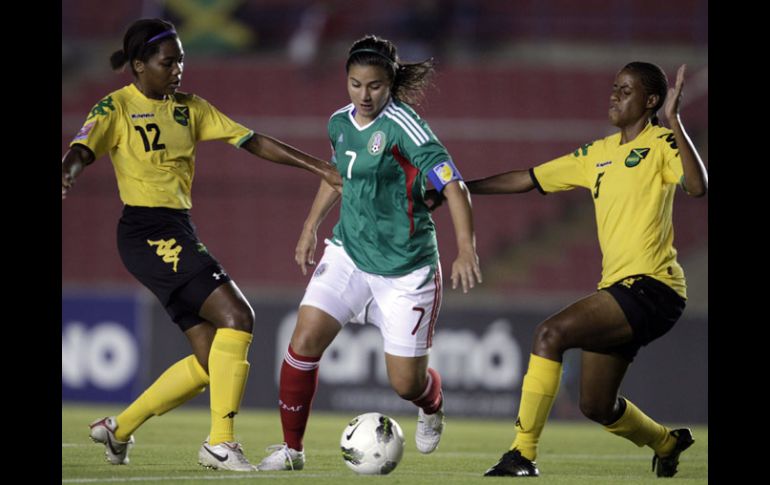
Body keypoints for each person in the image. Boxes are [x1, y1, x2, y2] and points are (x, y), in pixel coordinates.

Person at [61, 18, 342, 472]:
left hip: (177, 229)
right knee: (239, 315)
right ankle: (220, 442)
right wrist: (67, 172)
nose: (177, 70)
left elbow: (251, 140)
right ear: (139, 66)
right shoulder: (114, 108)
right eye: (167, 62)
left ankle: (119, 428)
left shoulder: (190, 109)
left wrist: (319, 167)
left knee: (212, 358)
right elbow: (81, 150)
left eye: (181, 61)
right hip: (146, 231)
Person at [451, 62, 707, 477]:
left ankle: (522, 453)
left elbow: (697, 187)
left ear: (651, 101)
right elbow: (527, 178)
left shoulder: (662, 142)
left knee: (550, 334)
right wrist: (456, 189)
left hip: (654, 287)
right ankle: (667, 441)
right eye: (614, 88)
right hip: (622, 289)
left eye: (626, 91)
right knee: (596, 405)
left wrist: (676, 120)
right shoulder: (597, 154)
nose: (614, 96)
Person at [256, 34, 483, 471]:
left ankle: (432, 404)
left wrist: (465, 249)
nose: (364, 94)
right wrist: (310, 226)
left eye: (374, 85)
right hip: (349, 252)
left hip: (405, 270)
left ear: (390, 82)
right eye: (356, 84)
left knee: (405, 384)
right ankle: (291, 451)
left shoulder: (406, 125)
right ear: (346, 81)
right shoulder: (339, 123)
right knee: (302, 343)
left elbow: (453, 185)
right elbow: (338, 173)